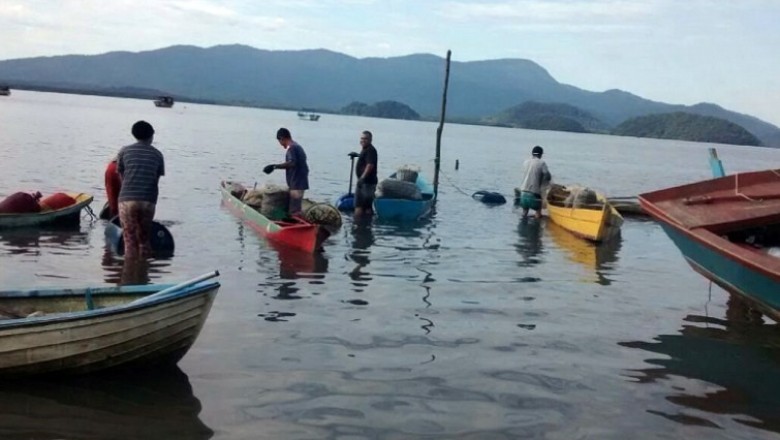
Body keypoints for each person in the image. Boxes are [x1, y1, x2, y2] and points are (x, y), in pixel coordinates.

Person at [116, 120, 165, 258]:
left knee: (130, 241)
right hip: (148, 201)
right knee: (144, 240)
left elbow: (122, 176)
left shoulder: (124, 151)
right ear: (151, 135)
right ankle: (143, 272)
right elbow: (156, 179)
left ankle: (130, 274)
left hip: (127, 200)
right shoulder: (157, 154)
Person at [264, 127, 309, 217]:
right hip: (300, 182)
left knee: (294, 211)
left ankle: (296, 228)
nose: (280, 144)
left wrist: (275, 166)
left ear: (282, 138)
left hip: (297, 183)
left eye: (279, 141)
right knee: (295, 208)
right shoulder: (297, 146)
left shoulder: (292, 148)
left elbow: (292, 163)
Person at [518, 145, 551, 218]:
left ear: (532, 153)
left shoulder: (526, 162)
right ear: (541, 154)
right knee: (538, 214)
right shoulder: (542, 163)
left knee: (524, 213)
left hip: (523, 193)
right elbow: (547, 176)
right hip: (534, 194)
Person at [354, 130, 378, 217]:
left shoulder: (370, 150)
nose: (363, 140)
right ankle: (367, 225)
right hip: (368, 183)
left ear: (370, 140)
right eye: (362, 138)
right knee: (367, 206)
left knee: (359, 205)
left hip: (366, 183)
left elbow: (370, 165)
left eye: (366, 139)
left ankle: (358, 225)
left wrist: (362, 178)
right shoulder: (366, 150)